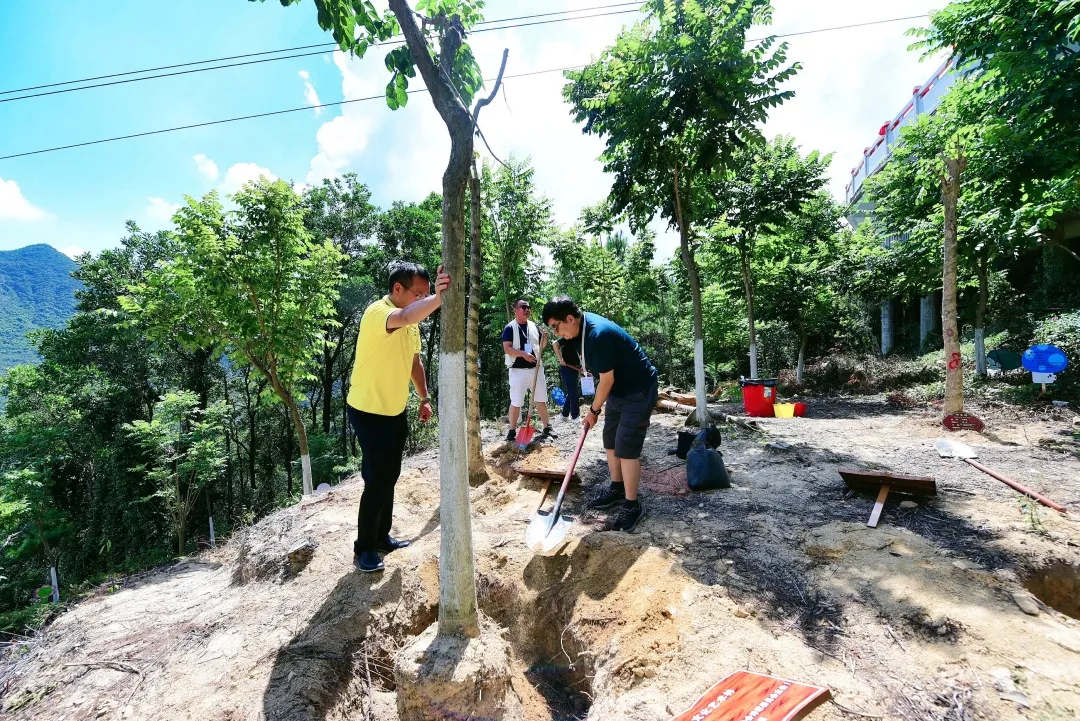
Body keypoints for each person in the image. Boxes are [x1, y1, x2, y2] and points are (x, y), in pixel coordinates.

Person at [346, 261, 449, 573]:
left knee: (390, 475)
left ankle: (381, 537)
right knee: (376, 479)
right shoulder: (379, 312)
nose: (423, 300)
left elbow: (414, 362)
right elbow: (404, 316)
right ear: (397, 290)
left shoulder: (411, 320)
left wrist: (425, 397)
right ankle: (363, 548)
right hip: (368, 410)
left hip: (394, 410)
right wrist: (439, 300)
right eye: (419, 294)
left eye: (427, 295)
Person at [541, 296, 659, 532]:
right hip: (618, 390)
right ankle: (616, 488)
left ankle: (632, 504)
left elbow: (607, 379)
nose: (557, 332)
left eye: (556, 326)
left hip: (637, 389)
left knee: (627, 447)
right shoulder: (578, 333)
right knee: (611, 440)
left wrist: (594, 410)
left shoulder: (597, 334)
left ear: (570, 318)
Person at [501, 299, 556, 442]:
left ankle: (547, 427)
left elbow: (541, 346)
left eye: (528, 307)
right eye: (523, 307)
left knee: (541, 399)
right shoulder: (510, 328)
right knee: (516, 401)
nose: (527, 310)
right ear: (515, 310)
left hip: (536, 369)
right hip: (517, 371)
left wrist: (544, 338)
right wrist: (523, 354)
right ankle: (512, 431)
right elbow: (507, 348)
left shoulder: (533, 326)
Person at [552, 335, 582, 421]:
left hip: (576, 368)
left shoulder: (581, 338)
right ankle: (575, 416)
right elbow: (555, 344)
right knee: (573, 392)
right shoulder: (569, 336)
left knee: (572, 391)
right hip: (567, 367)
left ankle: (564, 414)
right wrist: (560, 359)